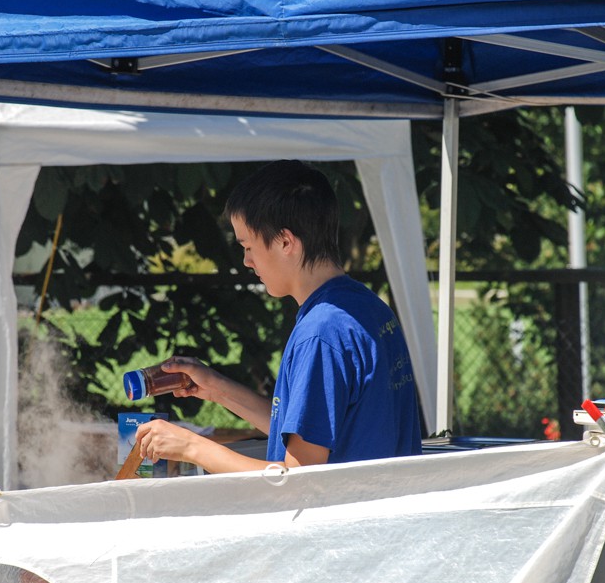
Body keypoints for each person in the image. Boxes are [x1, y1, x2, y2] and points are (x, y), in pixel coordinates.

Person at [136, 160, 422, 473]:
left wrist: (191, 447)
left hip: (346, 506)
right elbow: (311, 432)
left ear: (286, 242)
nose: (246, 261)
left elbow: (296, 480)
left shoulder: (321, 333)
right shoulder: (365, 306)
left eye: (248, 246)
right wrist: (216, 388)